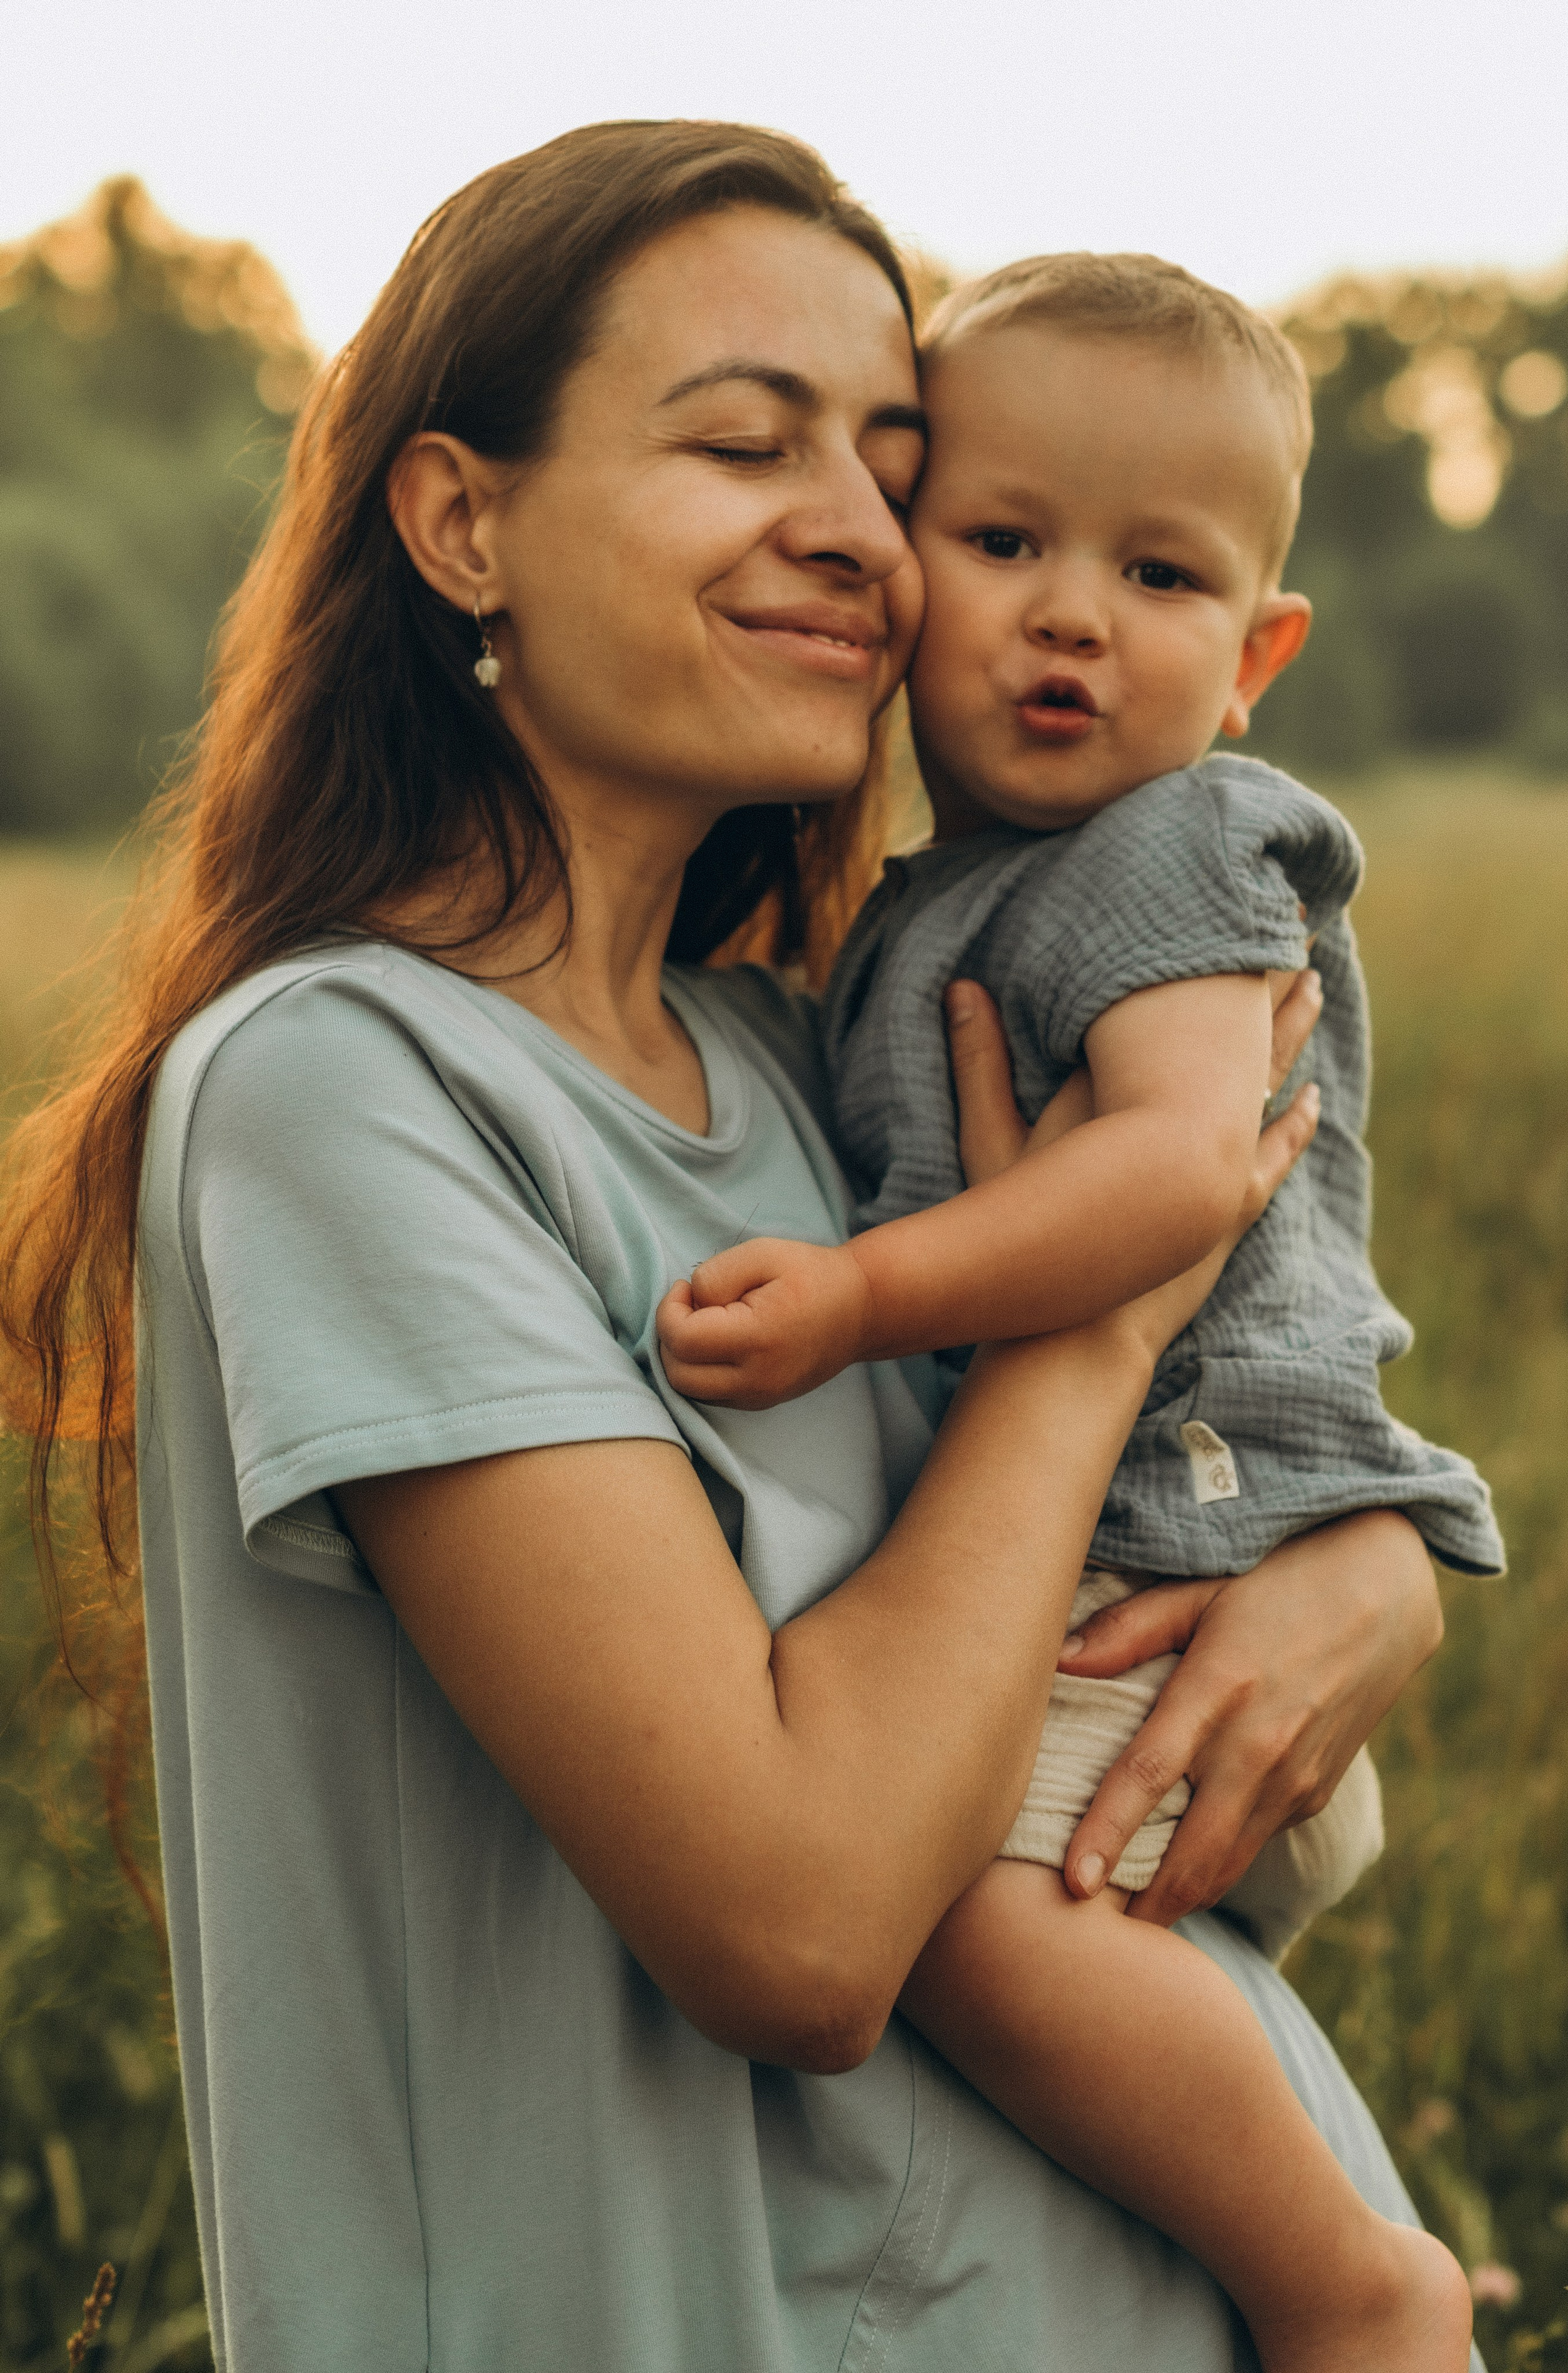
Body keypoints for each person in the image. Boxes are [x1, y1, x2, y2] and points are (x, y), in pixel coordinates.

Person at [0, 127, 1462, 2372]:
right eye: (743, 442)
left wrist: (1354, 1564)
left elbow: (1122, 1522)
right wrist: (1084, 1333)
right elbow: (794, 1927)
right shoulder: (344, 1085)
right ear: (460, 519)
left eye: (893, 466)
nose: (860, 535)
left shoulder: (805, 1060)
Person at [660, 252, 1501, 2368]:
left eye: (1157, 573)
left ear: (1256, 655)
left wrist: (867, 1293)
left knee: (948, 1921)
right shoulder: (943, 895)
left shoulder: (1174, 841)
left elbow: (1169, 1174)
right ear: (909, 568)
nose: (1069, 614)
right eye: (1009, 541)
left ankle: (1356, 2289)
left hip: (1185, 1554)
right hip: (1123, 1562)